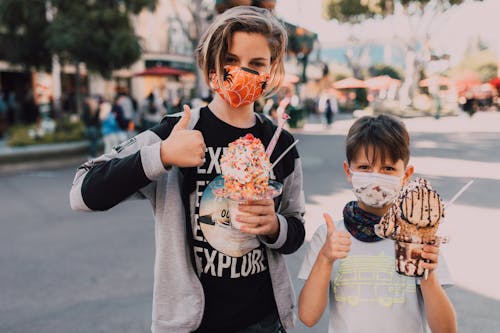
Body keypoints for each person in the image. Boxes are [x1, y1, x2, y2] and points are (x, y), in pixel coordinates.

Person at [70, 6, 305, 333]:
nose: (243, 72)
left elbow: (296, 228)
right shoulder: (177, 132)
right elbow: (83, 192)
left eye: (256, 64)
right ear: (211, 68)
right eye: (231, 61)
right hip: (191, 324)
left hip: (264, 320)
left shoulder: (281, 144)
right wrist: (162, 154)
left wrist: (274, 226)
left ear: (270, 71)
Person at [298, 114, 456, 333]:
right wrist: (325, 258)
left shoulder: (417, 237)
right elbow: (307, 316)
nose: (375, 178)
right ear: (348, 172)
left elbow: (446, 330)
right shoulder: (330, 237)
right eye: (364, 167)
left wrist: (426, 276)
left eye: (388, 169)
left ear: (406, 175)